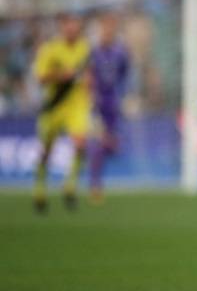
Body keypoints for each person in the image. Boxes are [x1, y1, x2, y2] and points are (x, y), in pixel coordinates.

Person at [32, 13, 92, 213]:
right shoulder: (50, 49)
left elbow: (89, 72)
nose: (72, 29)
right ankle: (40, 189)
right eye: (68, 26)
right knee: (47, 151)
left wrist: (90, 81)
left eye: (75, 25)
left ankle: (70, 187)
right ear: (62, 27)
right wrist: (61, 76)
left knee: (80, 143)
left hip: (77, 106)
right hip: (54, 105)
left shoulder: (85, 48)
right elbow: (40, 78)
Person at [88, 12, 130, 204]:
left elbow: (124, 75)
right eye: (104, 28)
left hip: (113, 103)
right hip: (96, 103)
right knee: (97, 144)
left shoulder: (120, 53)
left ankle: (96, 160)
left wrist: (125, 96)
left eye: (110, 28)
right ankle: (95, 185)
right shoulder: (93, 53)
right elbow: (88, 76)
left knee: (114, 145)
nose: (107, 32)